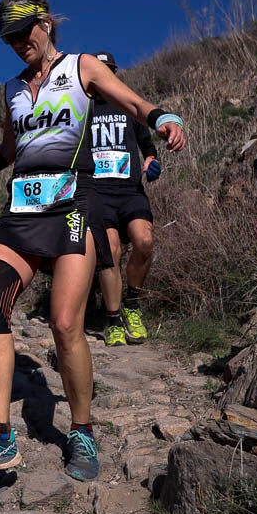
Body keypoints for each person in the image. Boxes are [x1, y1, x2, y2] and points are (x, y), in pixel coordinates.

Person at [0, 0, 186, 483]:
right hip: (22, 207)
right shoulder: (13, 89)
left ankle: (82, 429)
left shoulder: (82, 67)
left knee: (66, 324)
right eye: (9, 37)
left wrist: (161, 116)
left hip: (72, 205)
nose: (19, 42)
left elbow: (130, 100)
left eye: (25, 31)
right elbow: (6, 151)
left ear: (46, 23)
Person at [89, 51, 169, 348]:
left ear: (115, 73)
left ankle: (132, 305)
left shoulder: (129, 107)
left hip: (130, 192)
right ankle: (112, 321)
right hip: (98, 194)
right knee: (109, 251)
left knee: (144, 242)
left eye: (108, 70)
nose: (103, 76)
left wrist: (151, 161)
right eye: (99, 71)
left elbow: (148, 146)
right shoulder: (82, 110)